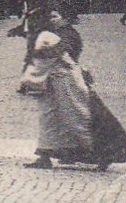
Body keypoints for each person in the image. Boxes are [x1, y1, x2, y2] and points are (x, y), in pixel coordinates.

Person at [19, 29, 126, 171]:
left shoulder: (46, 38)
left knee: (75, 119)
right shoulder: (49, 36)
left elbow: (40, 65)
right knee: (50, 120)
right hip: (53, 86)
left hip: (64, 87)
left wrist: (28, 81)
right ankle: (47, 155)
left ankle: (99, 155)